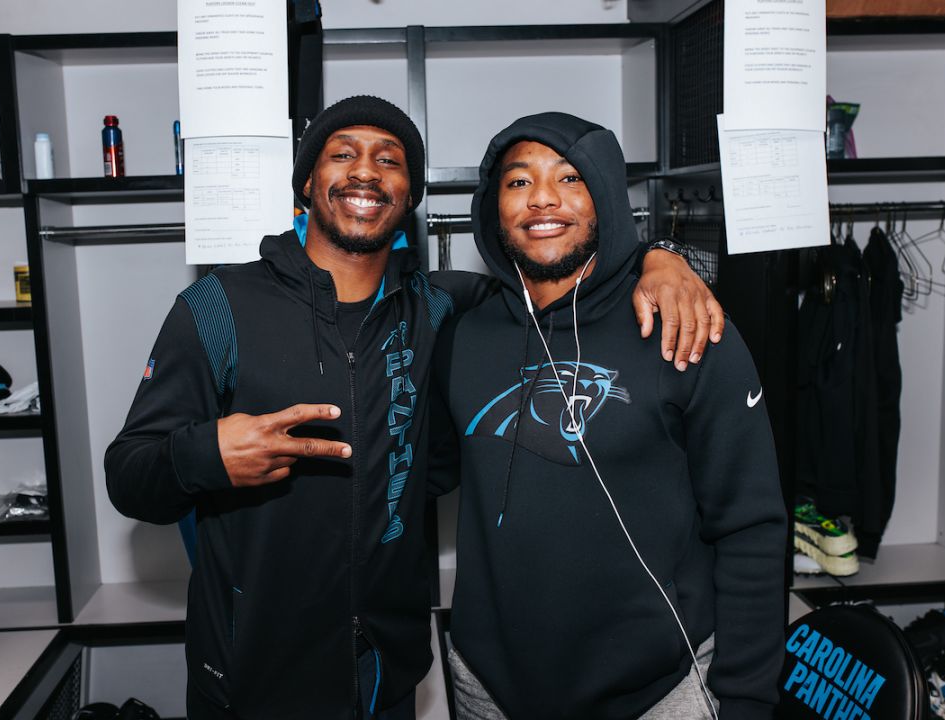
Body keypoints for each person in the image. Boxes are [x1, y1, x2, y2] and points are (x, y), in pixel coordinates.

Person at [105, 96, 724, 719]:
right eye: (342, 154)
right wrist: (205, 454)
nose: (366, 171)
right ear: (305, 185)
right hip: (249, 677)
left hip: (385, 677)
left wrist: (662, 255)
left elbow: (557, 273)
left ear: (409, 197)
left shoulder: (442, 308)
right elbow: (129, 477)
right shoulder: (218, 307)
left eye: (389, 160)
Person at [430, 112, 787, 720]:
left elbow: (751, 528)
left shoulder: (687, 328)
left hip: (658, 691)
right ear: (493, 208)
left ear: (606, 198)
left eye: (570, 178)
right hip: (489, 688)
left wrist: (749, 699)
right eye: (518, 182)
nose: (542, 197)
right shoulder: (463, 334)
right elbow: (418, 472)